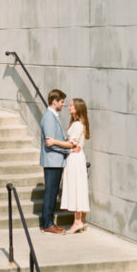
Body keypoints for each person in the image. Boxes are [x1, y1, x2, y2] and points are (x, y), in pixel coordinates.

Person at [40, 88, 79, 234]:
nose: (63, 104)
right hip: (52, 161)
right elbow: (51, 143)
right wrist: (69, 150)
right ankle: (48, 224)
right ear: (54, 101)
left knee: (52, 191)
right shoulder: (49, 117)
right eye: (62, 102)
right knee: (50, 192)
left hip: (55, 161)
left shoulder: (53, 116)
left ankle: (49, 222)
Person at [60, 97, 90, 234]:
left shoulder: (77, 125)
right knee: (78, 187)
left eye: (71, 105)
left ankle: (77, 221)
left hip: (75, 159)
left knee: (76, 187)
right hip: (75, 157)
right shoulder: (76, 124)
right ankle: (80, 220)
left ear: (77, 108)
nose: (69, 107)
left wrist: (55, 143)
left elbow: (72, 144)